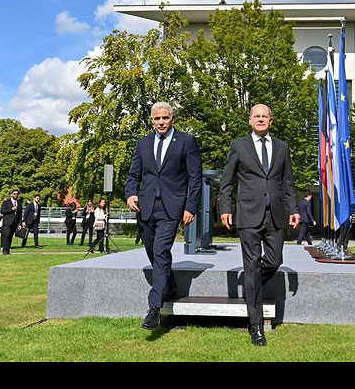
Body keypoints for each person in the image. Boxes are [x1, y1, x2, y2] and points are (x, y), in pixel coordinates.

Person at [218, 104, 300, 346]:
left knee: (275, 261)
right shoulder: (238, 145)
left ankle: (251, 282)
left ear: (271, 121)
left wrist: (293, 209)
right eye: (257, 116)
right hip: (248, 214)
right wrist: (225, 208)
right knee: (252, 262)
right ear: (250, 120)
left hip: (275, 215)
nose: (261, 120)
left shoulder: (282, 147)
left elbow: (289, 182)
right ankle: (255, 327)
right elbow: (227, 181)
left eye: (265, 117)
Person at [125, 101, 202, 330]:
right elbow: (133, 174)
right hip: (146, 207)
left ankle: (154, 308)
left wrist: (190, 207)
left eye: (165, 118)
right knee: (152, 251)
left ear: (172, 118)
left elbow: (194, 178)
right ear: (152, 120)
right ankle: (171, 286)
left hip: (172, 207)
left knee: (160, 250)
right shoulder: (143, 144)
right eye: (157, 119)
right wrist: (130, 194)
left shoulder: (186, 142)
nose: (161, 122)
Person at [0, 189, 22, 255]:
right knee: (6, 235)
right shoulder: (6, 202)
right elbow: (2, 211)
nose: (15, 195)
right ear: (11, 194)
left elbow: (20, 214)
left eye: (17, 194)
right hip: (7, 221)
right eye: (14, 194)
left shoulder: (19, 203)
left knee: (10, 236)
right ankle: (4, 250)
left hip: (14, 222)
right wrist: (11, 209)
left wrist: (20, 223)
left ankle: (8, 250)